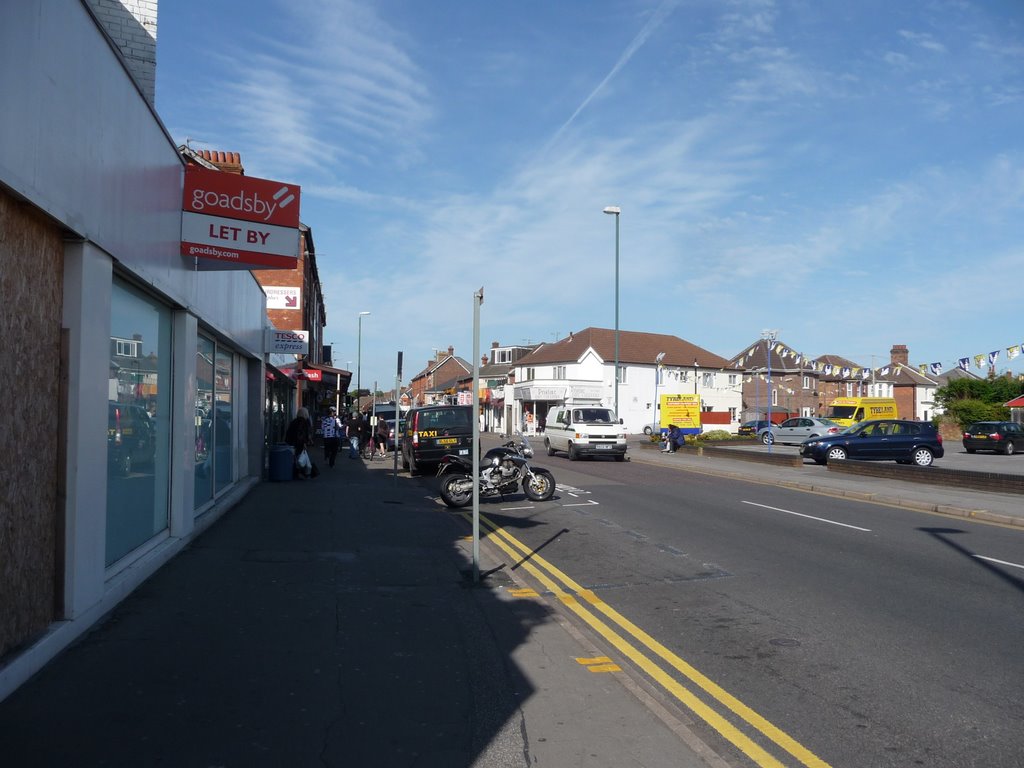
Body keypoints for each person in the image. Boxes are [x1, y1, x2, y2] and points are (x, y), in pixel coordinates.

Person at [285, 407, 315, 479]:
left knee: (295, 458)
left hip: (291, 442)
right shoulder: (303, 422)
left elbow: (289, 432)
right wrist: (304, 443)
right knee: (300, 458)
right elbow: (301, 434)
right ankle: (301, 473)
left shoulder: (294, 421)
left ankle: (295, 473)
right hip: (298, 443)